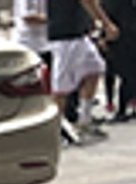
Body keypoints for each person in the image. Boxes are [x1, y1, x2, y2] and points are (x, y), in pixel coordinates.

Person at [48, 0, 119, 139]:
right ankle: (55, 129)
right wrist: (106, 23)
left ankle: (84, 120)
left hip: (77, 34)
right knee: (61, 87)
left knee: (95, 67)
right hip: (65, 35)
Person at [103, 0, 136, 119]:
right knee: (127, 75)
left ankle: (124, 107)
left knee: (129, 75)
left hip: (125, 36)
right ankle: (121, 108)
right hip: (121, 38)